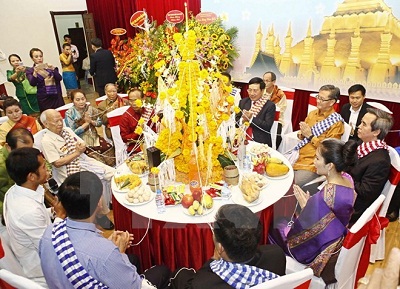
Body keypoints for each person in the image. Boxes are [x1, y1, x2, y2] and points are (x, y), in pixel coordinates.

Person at [39, 171, 171, 289]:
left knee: (134, 259)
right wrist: (119, 253)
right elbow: (133, 286)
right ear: (99, 203)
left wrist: (108, 245)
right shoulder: (105, 254)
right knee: (162, 271)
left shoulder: (49, 233)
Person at [270, 139, 357, 284]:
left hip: (320, 248)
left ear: (329, 165)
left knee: (276, 225)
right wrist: (311, 207)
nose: (313, 161)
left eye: (317, 158)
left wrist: (307, 207)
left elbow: (314, 230)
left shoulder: (327, 195)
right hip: (338, 236)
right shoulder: (347, 179)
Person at [170, 204, 286, 289]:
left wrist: (213, 259)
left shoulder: (204, 284)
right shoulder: (276, 255)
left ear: (220, 248)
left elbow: (198, 280)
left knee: (178, 274)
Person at [40, 109, 115, 230]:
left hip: (83, 161)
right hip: (68, 172)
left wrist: (81, 147)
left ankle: (106, 204)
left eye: (60, 119)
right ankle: (100, 215)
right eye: (56, 121)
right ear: (46, 124)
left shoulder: (67, 131)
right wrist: (76, 152)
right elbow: (58, 163)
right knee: (93, 185)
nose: (60, 123)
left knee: (111, 173)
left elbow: (81, 143)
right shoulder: (47, 141)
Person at [3, 147, 64, 286]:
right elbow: (50, 247)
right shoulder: (27, 211)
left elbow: (40, 216)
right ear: (31, 176)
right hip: (46, 270)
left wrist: (53, 212)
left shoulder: (16, 190)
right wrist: (60, 216)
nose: (47, 169)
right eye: (43, 167)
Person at [292, 84, 344, 194]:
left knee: (297, 181)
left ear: (332, 102)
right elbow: (301, 135)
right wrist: (302, 134)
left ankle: (303, 208)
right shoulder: (312, 114)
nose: (318, 101)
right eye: (318, 97)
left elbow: (330, 150)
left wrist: (311, 136)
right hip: (299, 155)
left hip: (314, 162)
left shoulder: (336, 122)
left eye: (322, 99)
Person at [349, 107, 393, 223]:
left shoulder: (380, 160)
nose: (359, 126)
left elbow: (365, 192)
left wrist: (343, 176)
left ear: (376, 132)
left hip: (354, 208)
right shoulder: (362, 144)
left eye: (364, 124)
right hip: (348, 192)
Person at [65, 89, 115, 167]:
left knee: (109, 149)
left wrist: (91, 121)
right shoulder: (69, 113)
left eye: (83, 99)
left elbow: (99, 123)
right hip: (81, 141)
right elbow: (72, 133)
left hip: (95, 137)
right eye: (77, 100)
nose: (81, 102)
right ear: (72, 101)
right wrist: (86, 123)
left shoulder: (90, 109)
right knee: (95, 160)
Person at [0, 128, 34, 224]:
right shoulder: (1, 166)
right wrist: (8, 210)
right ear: (8, 147)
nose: (27, 155)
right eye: (22, 151)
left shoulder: (22, 154)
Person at [235, 77, 276, 146]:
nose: (252, 93)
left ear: (262, 90)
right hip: (241, 138)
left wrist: (250, 119)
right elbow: (236, 121)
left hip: (259, 141)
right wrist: (242, 119)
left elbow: (267, 126)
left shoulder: (269, 105)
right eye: (249, 90)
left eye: (255, 90)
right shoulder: (243, 102)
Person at [120, 88, 154, 153]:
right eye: (130, 100)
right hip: (136, 148)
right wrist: (137, 132)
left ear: (143, 98)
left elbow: (157, 129)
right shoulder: (126, 116)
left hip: (152, 144)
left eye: (135, 100)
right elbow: (124, 138)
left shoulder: (150, 111)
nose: (133, 103)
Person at [263, 71, 287, 147]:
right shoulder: (260, 91)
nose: (264, 83)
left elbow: (281, 111)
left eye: (267, 81)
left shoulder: (280, 94)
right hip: (261, 118)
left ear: (273, 82)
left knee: (277, 137)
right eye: (263, 80)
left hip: (276, 120)